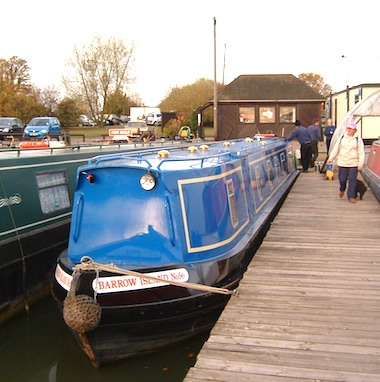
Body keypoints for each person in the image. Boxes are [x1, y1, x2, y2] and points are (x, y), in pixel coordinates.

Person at [327, 122, 365, 203]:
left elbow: (361, 152)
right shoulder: (342, 137)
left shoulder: (358, 139)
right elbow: (336, 149)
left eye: (351, 129)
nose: (349, 130)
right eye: (348, 128)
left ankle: (351, 196)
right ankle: (342, 189)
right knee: (342, 179)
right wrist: (331, 158)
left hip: (353, 163)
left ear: (354, 130)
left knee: (352, 179)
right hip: (342, 162)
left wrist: (360, 164)